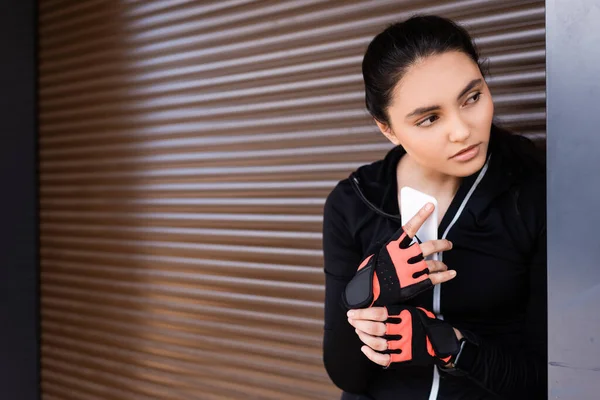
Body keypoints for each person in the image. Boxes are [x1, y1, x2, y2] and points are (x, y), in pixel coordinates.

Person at [321, 15, 547, 400]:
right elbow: (347, 375)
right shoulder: (353, 201)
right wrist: (371, 288)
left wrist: (448, 345)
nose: (462, 130)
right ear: (387, 128)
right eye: (429, 118)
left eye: (472, 98)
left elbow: (550, 379)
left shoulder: (534, 190)